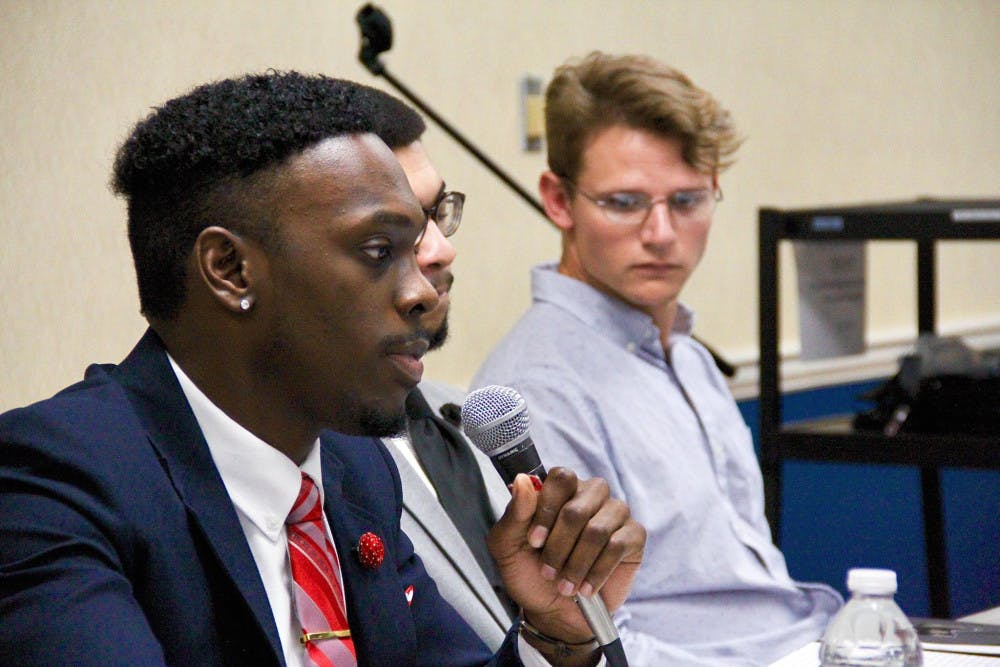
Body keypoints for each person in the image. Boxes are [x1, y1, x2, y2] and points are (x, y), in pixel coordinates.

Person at [0, 70, 646, 667]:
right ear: (230, 269)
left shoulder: (354, 468)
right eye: (377, 249)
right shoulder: (55, 478)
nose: (422, 289)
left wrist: (555, 631)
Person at [472, 52, 842, 666]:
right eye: (625, 202)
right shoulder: (538, 387)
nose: (663, 233)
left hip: (809, 641)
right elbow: (592, 635)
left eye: (689, 201)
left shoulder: (688, 356)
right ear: (559, 201)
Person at [358, 85, 517, 648]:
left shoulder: (465, 416)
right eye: (395, 229)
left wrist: (566, 635)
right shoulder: (306, 459)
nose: (441, 250)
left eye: (436, 212)